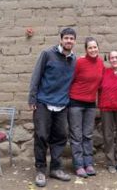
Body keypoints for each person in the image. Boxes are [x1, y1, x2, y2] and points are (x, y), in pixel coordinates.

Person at [28, 28, 77, 187]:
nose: (69, 41)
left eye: (72, 39)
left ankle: (55, 168)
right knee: (41, 136)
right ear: (61, 39)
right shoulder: (47, 54)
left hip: (62, 104)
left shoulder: (74, 59)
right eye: (66, 38)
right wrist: (32, 98)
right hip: (43, 102)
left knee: (61, 136)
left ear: (74, 41)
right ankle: (41, 170)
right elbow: (36, 75)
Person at [68, 37, 104, 178]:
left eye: (95, 47)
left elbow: (101, 85)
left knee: (88, 135)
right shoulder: (79, 62)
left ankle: (88, 163)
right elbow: (70, 80)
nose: (93, 50)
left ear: (98, 48)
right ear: (86, 50)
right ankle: (78, 165)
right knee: (76, 136)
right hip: (76, 102)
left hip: (90, 104)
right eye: (90, 48)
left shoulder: (100, 63)